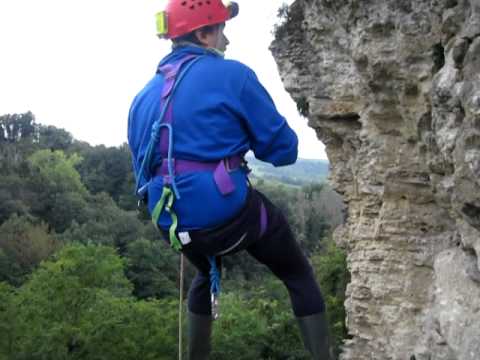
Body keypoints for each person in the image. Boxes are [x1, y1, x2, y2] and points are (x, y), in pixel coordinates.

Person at [127, 1, 331, 359]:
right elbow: (284, 151)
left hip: (171, 222)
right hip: (228, 215)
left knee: (206, 273)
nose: (227, 39)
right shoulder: (234, 76)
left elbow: (141, 170)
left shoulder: (142, 96)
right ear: (204, 34)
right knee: (297, 273)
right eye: (221, 29)